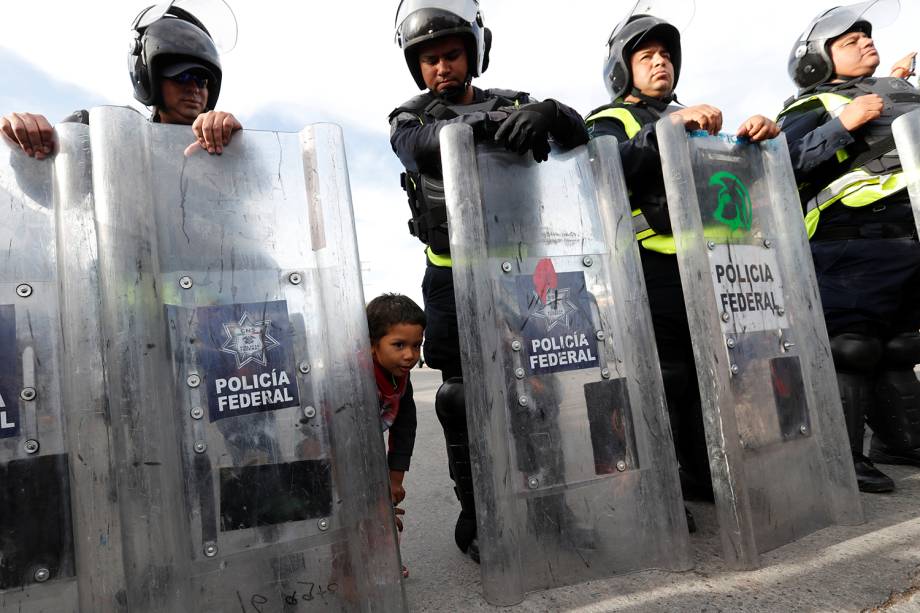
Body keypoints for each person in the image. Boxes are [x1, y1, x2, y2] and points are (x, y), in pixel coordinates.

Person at [389, 0, 588, 562]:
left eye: (451, 54)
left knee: (541, 388)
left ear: (474, 53)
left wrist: (551, 111)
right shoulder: (410, 115)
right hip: (452, 274)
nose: (441, 69)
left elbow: (579, 139)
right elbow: (424, 147)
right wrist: (498, 124)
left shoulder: (522, 102)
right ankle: (478, 517)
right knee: (460, 397)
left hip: (523, 272)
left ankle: (553, 507)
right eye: (428, 61)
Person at [584, 13, 779, 523]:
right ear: (622, 71)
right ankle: (659, 487)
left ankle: (701, 474)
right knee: (663, 379)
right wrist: (667, 128)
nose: (660, 61)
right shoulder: (612, 117)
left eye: (666, 54)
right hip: (647, 265)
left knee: (706, 376)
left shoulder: (694, 117)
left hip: (708, 265)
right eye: (646, 56)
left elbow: (728, 184)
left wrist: (757, 142)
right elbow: (602, 166)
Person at [777, 1, 920, 492]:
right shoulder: (810, 104)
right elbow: (781, 162)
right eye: (850, 41)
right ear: (819, 59)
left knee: (903, 345)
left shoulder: (901, 95)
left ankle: (901, 442)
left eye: (867, 35)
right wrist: (845, 123)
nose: (865, 41)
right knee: (851, 348)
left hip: (907, 237)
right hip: (847, 244)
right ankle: (839, 455)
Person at [1, 4, 241, 158]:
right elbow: (48, 194)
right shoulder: (115, 139)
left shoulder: (221, 148)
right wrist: (26, 143)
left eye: (202, 81)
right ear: (150, 79)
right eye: (182, 76)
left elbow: (263, 204)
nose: (194, 88)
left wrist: (238, 146)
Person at [367, 293, 425, 579]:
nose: (410, 355)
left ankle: (384, 558)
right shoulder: (355, 376)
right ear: (371, 346)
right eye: (399, 345)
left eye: (416, 345)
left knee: (385, 508)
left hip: (367, 446)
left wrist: (394, 479)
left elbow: (405, 425)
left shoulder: (401, 375)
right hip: (330, 449)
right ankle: (347, 571)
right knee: (356, 513)